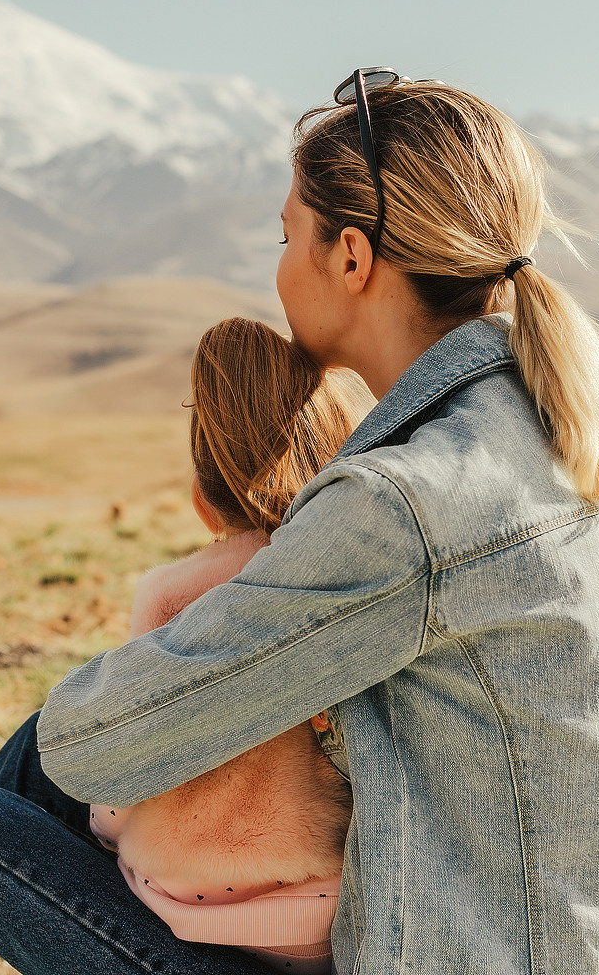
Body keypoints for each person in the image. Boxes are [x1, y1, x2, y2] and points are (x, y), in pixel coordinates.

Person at [0, 69, 599, 975]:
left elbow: (99, 746)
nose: (277, 264)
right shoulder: (552, 448)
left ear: (350, 258)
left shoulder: (406, 503)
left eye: (285, 235)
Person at [90, 317, 371, 974]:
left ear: (200, 498)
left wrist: (101, 824)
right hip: (328, 919)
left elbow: (122, 780)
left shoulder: (174, 594)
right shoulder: (347, 575)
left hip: (192, 917)